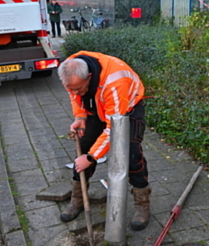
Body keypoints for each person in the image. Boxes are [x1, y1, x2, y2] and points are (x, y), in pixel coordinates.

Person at [57, 51, 151, 230]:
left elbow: (112, 128)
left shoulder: (116, 83)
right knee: (83, 148)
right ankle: (78, 199)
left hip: (127, 109)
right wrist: (80, 116)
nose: (74, 92)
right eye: (70, 88)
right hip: (98, 102)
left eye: (77, 88)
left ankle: (142, 204)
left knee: (131, 154)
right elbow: (74, 94)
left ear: (89, 77)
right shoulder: (70, 68)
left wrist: (91, 158)